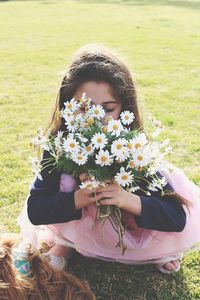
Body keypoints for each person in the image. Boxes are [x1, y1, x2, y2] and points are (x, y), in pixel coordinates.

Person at [18, 44, 200, 275]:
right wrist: (79, 198)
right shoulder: (59, 147)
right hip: (82, 222)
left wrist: (125, 198)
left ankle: (158, 250)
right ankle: (66, 244)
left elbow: (176, 218)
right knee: (65, 184)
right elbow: (36, 210)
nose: (96, 119)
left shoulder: (133, 148)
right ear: (67, 106)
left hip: (129, 226)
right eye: (84, 109)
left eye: (108, 108)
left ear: (125, 108)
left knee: (150, 220)